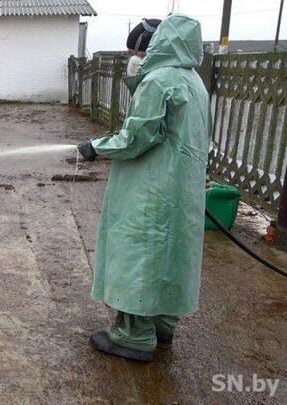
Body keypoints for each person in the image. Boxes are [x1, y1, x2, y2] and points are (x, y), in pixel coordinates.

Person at [77, 14, 211, 362]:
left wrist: (96, 147)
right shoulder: (194, 82)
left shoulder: (158, 81)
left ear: (155, 47)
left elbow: (137, 137)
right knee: (170, 254)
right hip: (182, 189)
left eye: (137, 52)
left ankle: (133, 335)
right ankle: (162, 323)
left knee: (141, 252)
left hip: (152, 188)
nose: (135, 60)